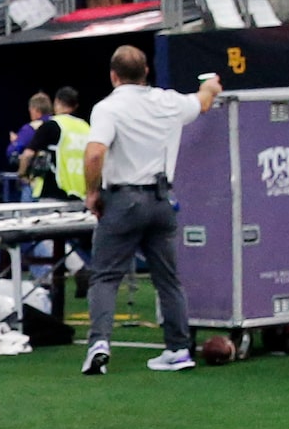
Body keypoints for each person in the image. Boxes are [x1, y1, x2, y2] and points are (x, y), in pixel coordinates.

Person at [80, 46, 221, 374]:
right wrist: (212, 85)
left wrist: (91, 193)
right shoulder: (169, 101)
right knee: (168, 281)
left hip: (123, 199)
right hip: (161, 200)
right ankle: (178, 348)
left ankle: (99, 343)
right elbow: (202, 101)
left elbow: (94, 154)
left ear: (114, 76)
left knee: (104, 277)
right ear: (146, 73)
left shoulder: (108, 107)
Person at [30, 85, 92, 201]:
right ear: (76, 106)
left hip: (54, 191)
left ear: (56, 102)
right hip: (82, 194)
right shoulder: (86, 128)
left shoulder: (51, 125)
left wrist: (23, 174)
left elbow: (28, 154)